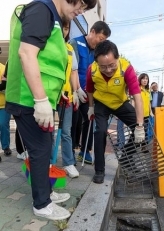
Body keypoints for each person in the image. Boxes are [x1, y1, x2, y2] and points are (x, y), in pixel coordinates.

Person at [5, 0, 96, 220]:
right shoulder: (41, 10)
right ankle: (42, 204)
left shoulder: (52, 17)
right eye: (82, 6)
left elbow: (47, 65)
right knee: (40, 151)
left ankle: (46, 192)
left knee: (44, 149)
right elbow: (27, 54)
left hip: (38, 98)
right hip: (28, 98)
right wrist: (41, 99)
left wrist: (58, 94)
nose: (79, 12)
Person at [86, 40, 145, 184]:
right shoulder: (92, 69)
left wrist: (140, 126)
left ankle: (126, 158)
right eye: (103, 67)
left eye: (112, 65)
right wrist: (91, 107)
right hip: (101, 103)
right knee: (99, 132)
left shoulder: (126, 68)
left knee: (145, 126)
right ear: (97, 63)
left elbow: (137, 97)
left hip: (120, 103)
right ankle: (99, 170)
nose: (108, 70)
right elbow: (90, 90)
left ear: (118, 58)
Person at [69, 21, 111, 164]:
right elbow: (70, 68)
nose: (100, 43)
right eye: (100, 39)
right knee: (73, 122)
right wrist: (76, 89)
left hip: (87, 94)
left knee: (89, 119)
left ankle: (85, 151)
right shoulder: (75, 43)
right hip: (74, 91)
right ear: (92, 31)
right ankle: (70, 153)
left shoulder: (96, 52)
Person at [52, 18, 79, 178]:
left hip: (66, 96)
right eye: (62, 27)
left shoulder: (69, 49)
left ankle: (68, 163)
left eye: (67, 27)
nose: (64, 30)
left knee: (66, 132)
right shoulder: (47, 43)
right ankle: (48, 163)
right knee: (47, 132)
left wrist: (75, 91)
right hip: (49, 94)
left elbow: (73, 72)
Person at [0, 63, 12, 157]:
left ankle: (6, 146)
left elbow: (9, 86)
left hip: (3, 104)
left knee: (3, 125)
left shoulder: (4, 68)